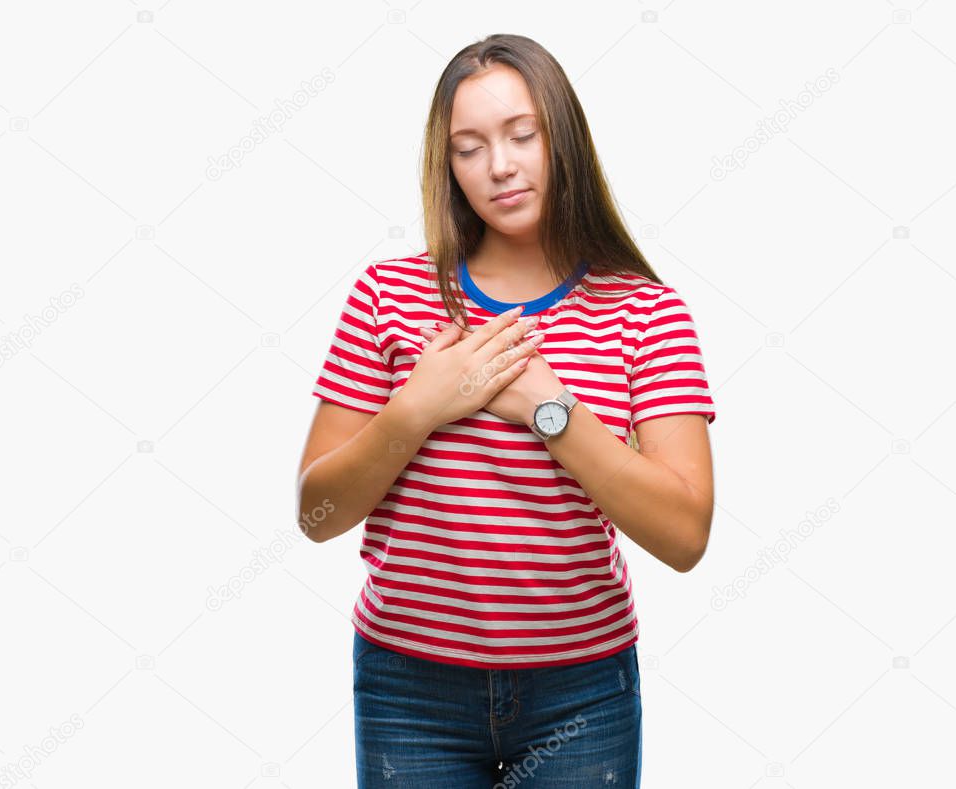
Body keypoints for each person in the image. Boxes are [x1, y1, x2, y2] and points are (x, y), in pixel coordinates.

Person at [298, 33, 717, 789]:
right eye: (468, 147)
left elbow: (684, 535)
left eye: (522, 135)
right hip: (406, 685)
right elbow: (317, 515)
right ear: (447, 165)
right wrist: (416, 407)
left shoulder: (644, 312)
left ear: (563, 139)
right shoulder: (387, 295)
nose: (498, 165)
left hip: (582, 692)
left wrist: (551, 409)